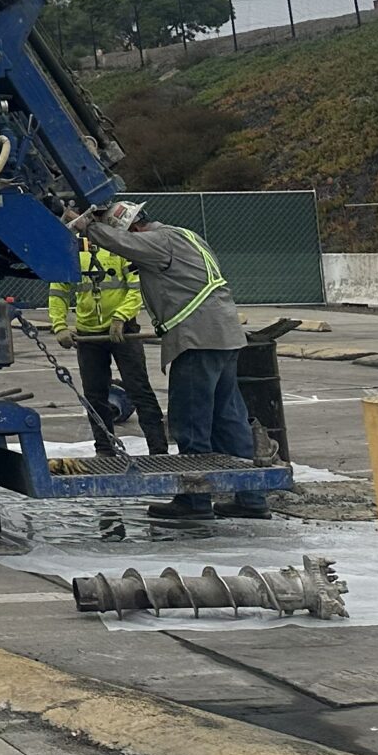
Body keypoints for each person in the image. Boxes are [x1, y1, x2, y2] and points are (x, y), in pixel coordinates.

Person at [64, 200, 268, 520]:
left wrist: (87, 225)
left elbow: (122, 243)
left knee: (190, 421)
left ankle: (194, 502)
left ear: (134, 228)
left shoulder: (159, 241)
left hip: (197, 339)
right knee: (228, 419)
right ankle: (251, 498)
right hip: (224, 336)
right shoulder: (185, 235)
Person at [48, 237, 170, 458]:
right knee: (95, 395)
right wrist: (59, 326)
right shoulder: (71, 249)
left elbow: (136, 286)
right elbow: (59, 291)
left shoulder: (119, 246)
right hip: (88, 334)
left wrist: (121, 317)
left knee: (139, 389)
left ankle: (158, 450)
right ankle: (104, 449)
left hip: (123, 331)